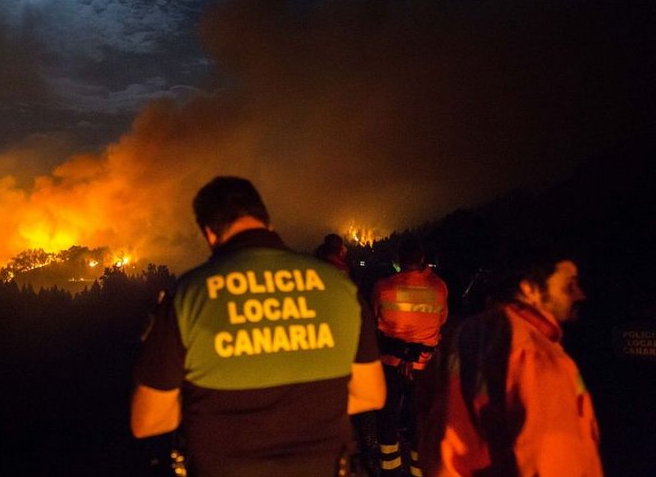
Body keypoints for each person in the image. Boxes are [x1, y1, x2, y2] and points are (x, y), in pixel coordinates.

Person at [131, 176, 386, 477]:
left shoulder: (187, 296)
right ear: (267, 222)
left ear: (210, 234)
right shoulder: (340, 288)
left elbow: (149, 420)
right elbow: (371, 394)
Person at [420, 251, 603, 477]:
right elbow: (549, 460)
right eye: (568, 284)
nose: (579, 294)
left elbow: (430, 411)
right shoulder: (536, 355)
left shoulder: (466, 333)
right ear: (530, 289)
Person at [371, 238, 448, 477]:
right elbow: (441, 321)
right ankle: (418, 470)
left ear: (398, 261)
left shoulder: (383, 287)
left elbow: (376, 319)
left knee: (387, 416)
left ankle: (390, 469)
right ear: (423, 260)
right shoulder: (439, 287)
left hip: (390, 361)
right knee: (420, 419)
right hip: (423, 363)